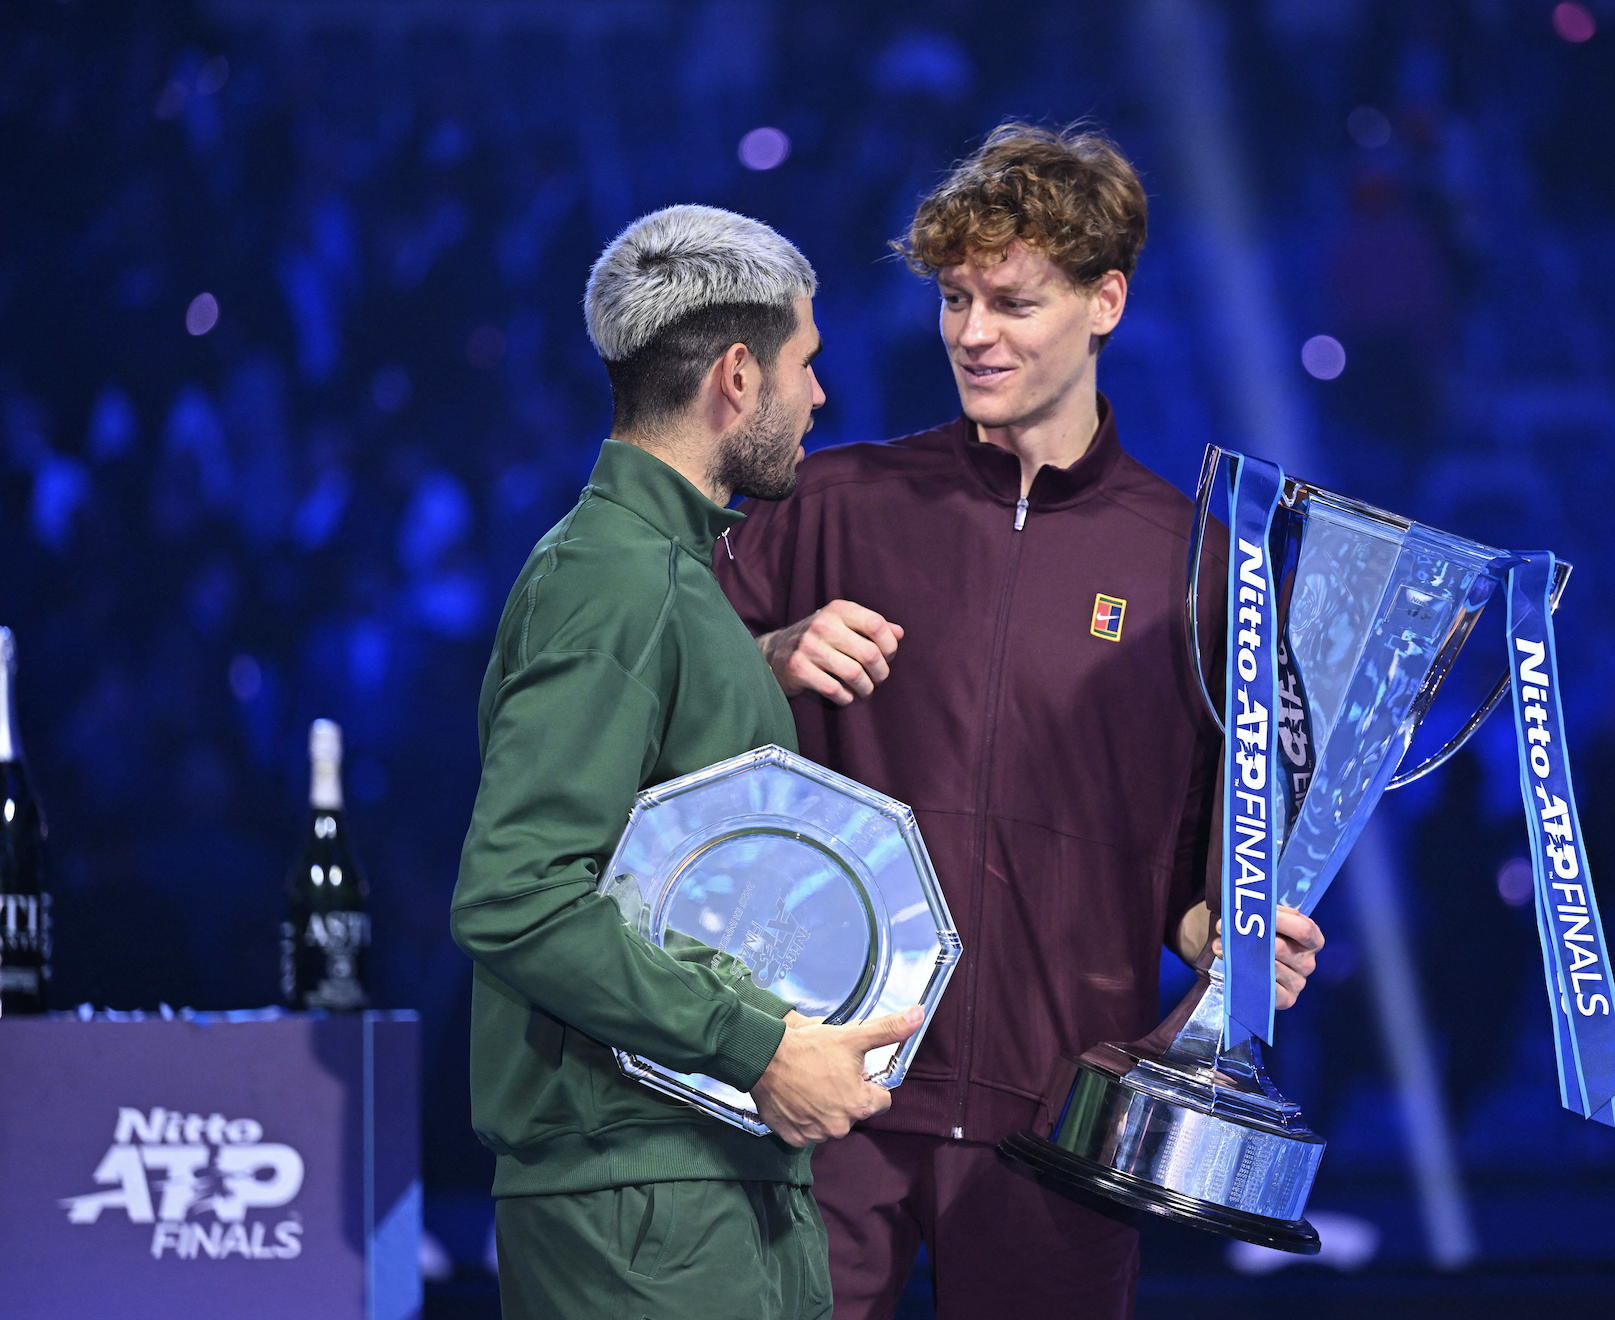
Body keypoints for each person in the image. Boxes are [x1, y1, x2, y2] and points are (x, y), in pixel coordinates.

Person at [717, 123, 1325, 1320]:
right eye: (955, 299)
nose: (974, 334)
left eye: (1014, 301)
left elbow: (1215, 844)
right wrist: (769, 655)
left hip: (1062, 1118)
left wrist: (1221, 926)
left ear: (1106, 301)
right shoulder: (834, 505)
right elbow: (648, 702)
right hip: (830, 1091)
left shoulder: (1199, 567)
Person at [450, 204, 921, 1320]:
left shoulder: (659, 577)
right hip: (641, 1202)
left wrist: (753, 665)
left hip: (687, 1183)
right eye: (810, 363)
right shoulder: (617, 581)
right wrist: (757, 1044)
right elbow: (514, 898)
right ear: (739, 378)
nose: (823, 397)